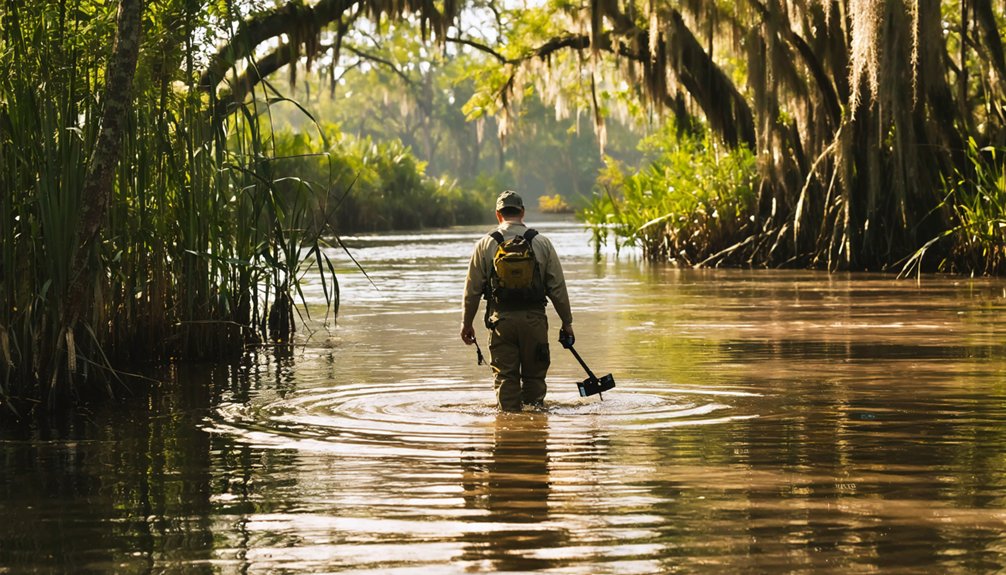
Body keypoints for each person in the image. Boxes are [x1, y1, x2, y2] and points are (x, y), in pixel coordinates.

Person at [460, 190, 574, 411]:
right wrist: (567, 322)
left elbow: (472, 290)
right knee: (534, 379)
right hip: (534, 321)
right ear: (522, 212)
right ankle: (535, 425)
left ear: (498, 214)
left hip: (500, 321)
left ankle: (508, 431)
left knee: (505, 379)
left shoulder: (485, 244)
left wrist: (466, 323)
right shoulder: (542, 243)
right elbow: (557, 288)